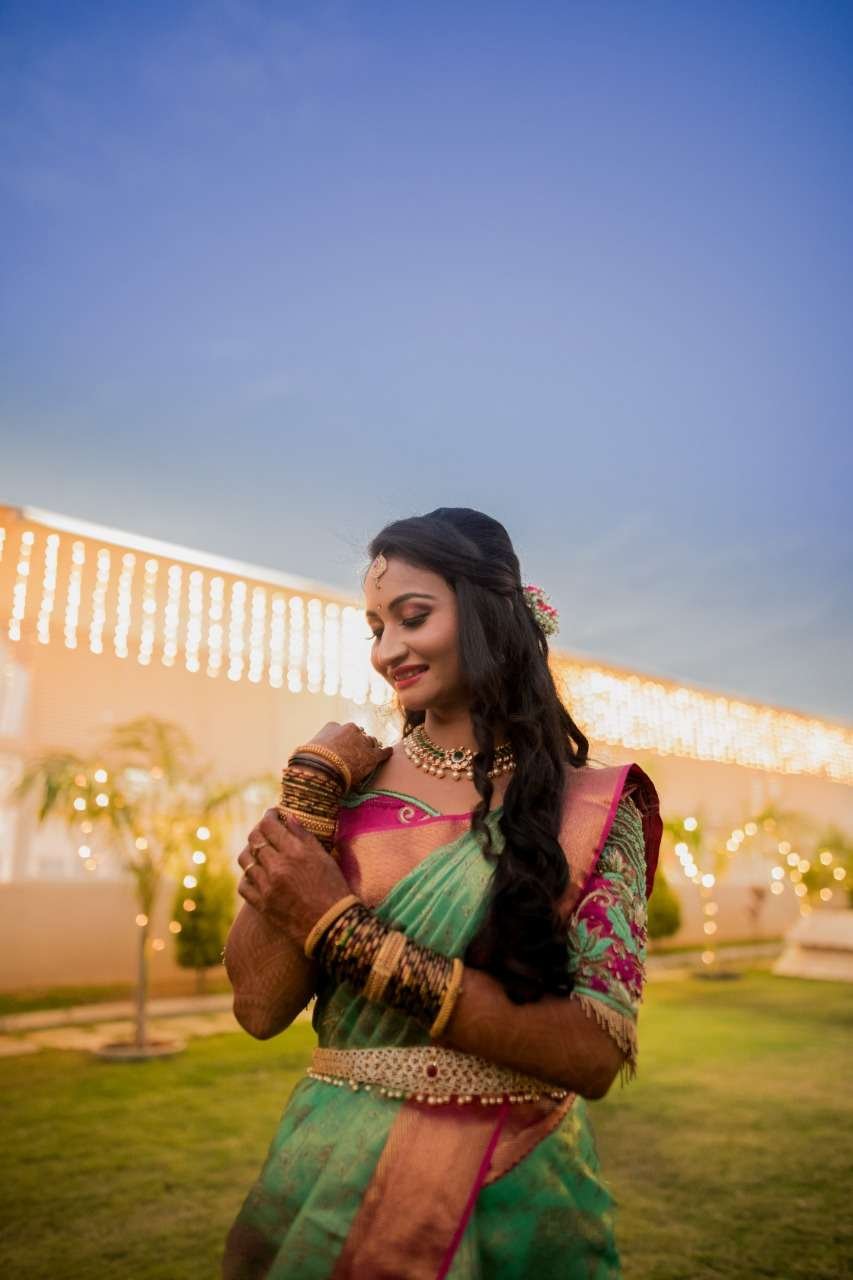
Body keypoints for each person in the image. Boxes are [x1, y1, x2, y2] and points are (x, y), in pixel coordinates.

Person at [221, 507, 663, 1280]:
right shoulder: (343, 794)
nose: (386, 650)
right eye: (374, 628)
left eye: (412, 616)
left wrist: (340, 930)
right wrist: (307, 796)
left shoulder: (589, 807)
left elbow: (593, 1054)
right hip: (331, 1176)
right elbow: (258, 1009)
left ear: (490, 612)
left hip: (514, 1188)